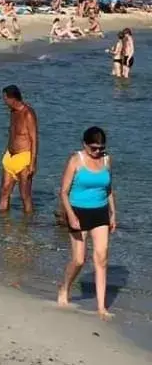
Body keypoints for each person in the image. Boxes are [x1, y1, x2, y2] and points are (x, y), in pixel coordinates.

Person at [58, 126, 117, 320]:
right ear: (85, 145)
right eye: (94, 148)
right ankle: (64, 288)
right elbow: (64, 192)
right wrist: (71, 215)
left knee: (101, 259)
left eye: (101, 148)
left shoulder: (107, 160)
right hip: (78, 212)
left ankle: (101, 307)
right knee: (79, 260)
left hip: (100, 213)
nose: (97, 152)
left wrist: (113, 213)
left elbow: (108, 189)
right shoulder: (76, 160)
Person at [0, 85, 38, 215]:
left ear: (12, 99)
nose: (4, 102)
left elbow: (34, 139)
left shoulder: (28, 113)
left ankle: (27, 229)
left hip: (24, 157)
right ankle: (1, 228)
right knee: (4, 192)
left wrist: (32, 163)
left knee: (25, 196)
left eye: (5, 99)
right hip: (10, 156)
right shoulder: (12, 112)